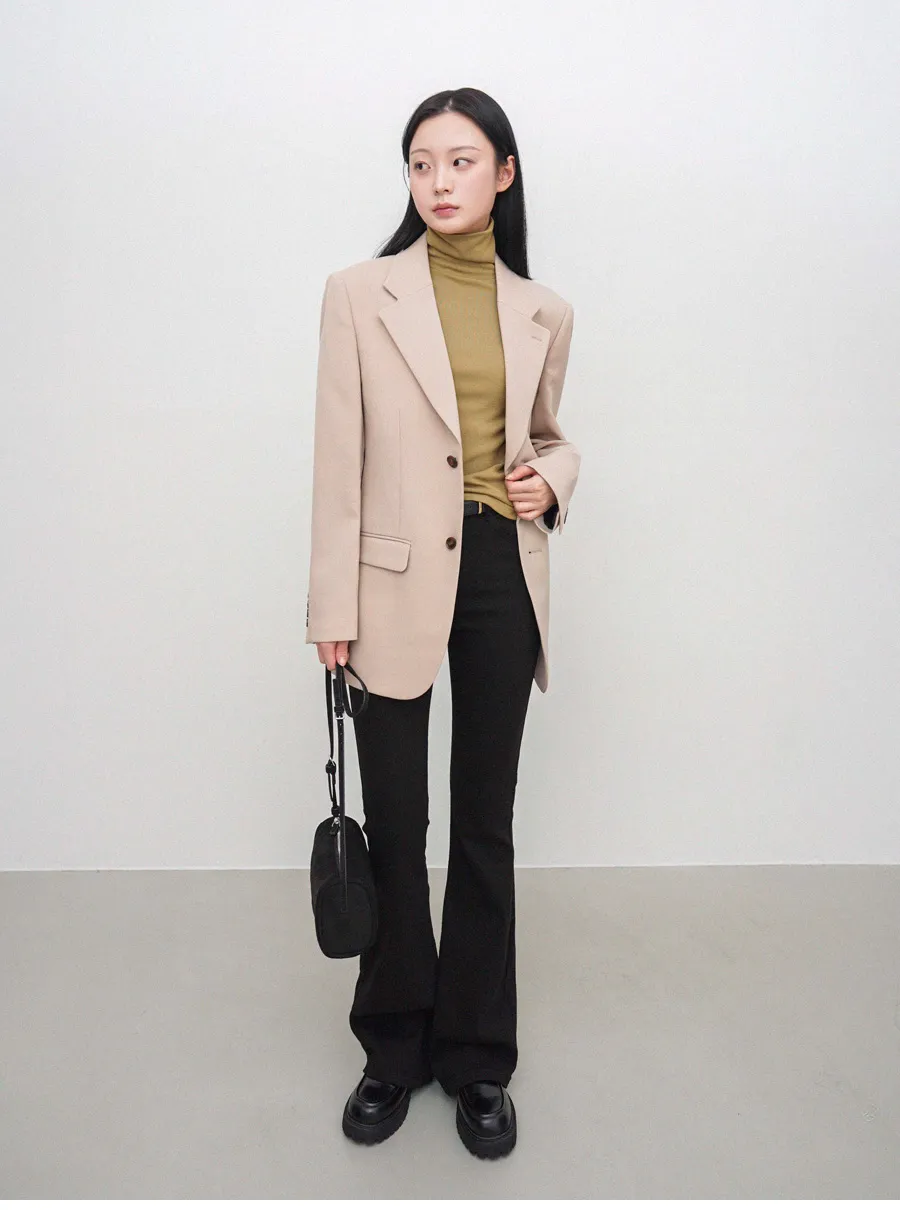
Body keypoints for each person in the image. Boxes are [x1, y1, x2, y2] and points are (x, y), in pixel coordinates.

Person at [305, 87, 581, 1159]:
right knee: (397, 819)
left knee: (484, 822)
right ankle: (392, 1046)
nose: (438, 181)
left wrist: (551, 480)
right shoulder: (357, 293)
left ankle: (476, 1056)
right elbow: (338, 461)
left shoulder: (543, 309)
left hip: (503, 570)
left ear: (504, 174)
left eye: (461, 161)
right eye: (421, 163)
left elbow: (551, 438)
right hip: (391, 579)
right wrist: (332, 605)